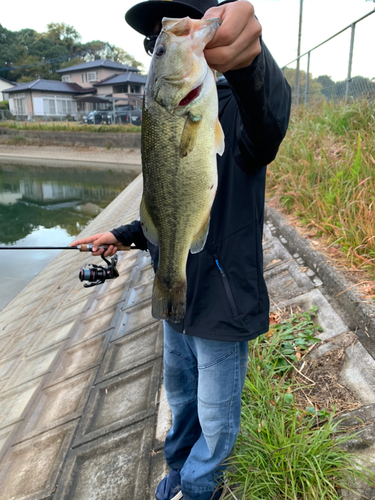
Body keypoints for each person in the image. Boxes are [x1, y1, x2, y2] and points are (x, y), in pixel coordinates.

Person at [72, 1, 291, 499]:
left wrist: (252, 61)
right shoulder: (162, 111)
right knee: (181, 396)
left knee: (216, 413)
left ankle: (199, 487)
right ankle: (178, 465)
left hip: (222, 300)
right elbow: (164, 196)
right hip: (177, 294)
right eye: (156, 43)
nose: (163, 41)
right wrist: (124, 234)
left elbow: (269, 122)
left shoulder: (233, 105)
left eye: (175, 30)